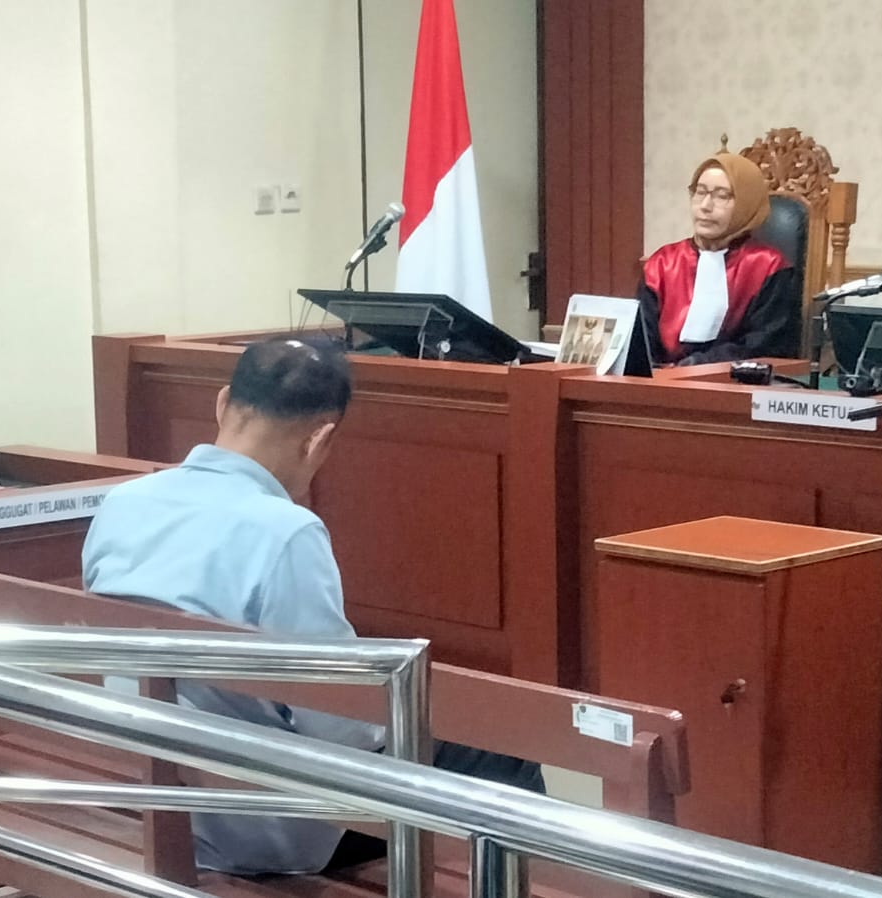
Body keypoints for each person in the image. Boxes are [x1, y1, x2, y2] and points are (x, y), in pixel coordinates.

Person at [80, 337, 543, 876]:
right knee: (499, 748)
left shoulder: (124, 502)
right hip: (259, 826)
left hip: (146, 790)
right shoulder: (286, 531)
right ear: (320, 438)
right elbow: (342, 727)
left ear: (223, 403)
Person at [638, 151, 802, 366]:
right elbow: (642, 339)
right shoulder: (662, 263)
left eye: (722, 196)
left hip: (733, 380)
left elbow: (766, 345)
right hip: (660, 380)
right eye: (700, 192)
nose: (705, 206)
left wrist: (701, 364)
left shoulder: (769, 266)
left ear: (746, 204)